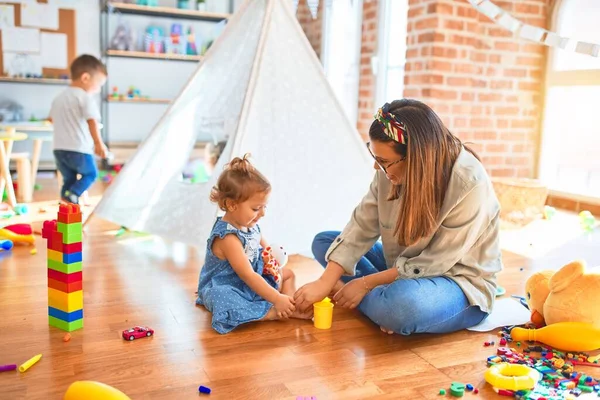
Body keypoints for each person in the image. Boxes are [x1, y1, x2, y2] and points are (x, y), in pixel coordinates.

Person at [294, 99, 502, 335]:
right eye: (375, 158)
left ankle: (377, 302)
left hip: (455, 282)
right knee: (324, 241)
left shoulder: (469, 183)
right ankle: (376, 301)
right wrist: (325, 282)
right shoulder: (390, 170)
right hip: (402, 265)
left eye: (382, 162)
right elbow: (362, 223)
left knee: (402, 308)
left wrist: (363, 283)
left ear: (416, 157)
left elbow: (432, 264)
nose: (377, 168)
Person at [196, 154, 312, 334]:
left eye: (264, 207)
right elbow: (248, 275)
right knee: (222, 298)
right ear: (232, 205)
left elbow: (266, 250)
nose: (262, 213)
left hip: (251, 281)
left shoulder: (251, 226)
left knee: (287, 274)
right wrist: (275, 298)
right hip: (231, 285)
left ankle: (289, 306)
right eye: (256, 208)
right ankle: (273, 311)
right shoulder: (228, 238)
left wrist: (273, 264)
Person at [49, 54, 109, 204]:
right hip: (78, 148)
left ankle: (65, 202)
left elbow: (51, 119)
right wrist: (98, 143)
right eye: (99, 84)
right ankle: (73, 194)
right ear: (85, 78)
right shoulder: (84, 97)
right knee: (91, 174)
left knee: (68, 178)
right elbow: (92, 121)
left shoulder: (59, 97)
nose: (98, 89)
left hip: (59, 149)